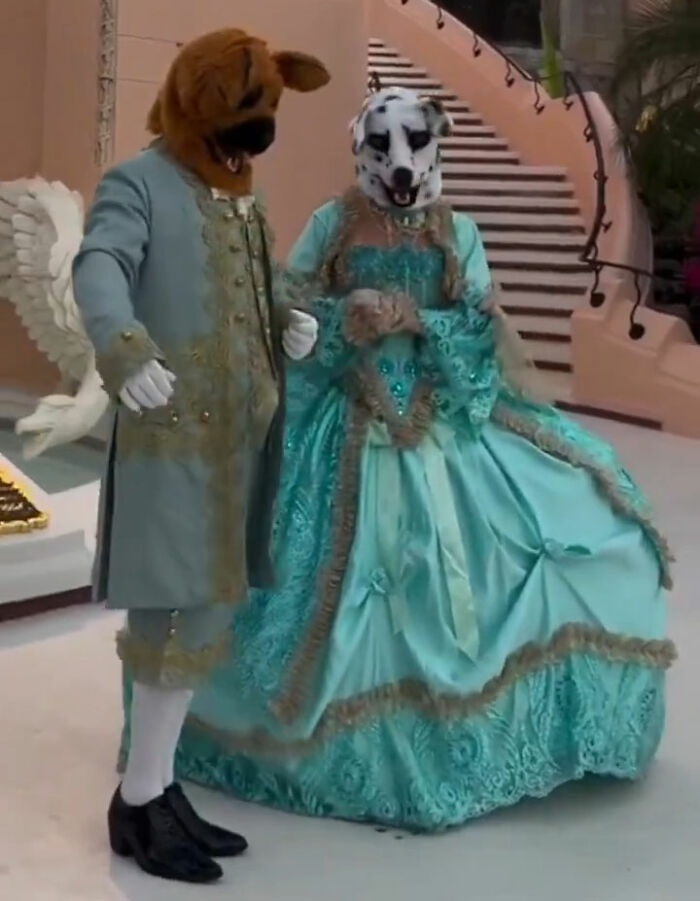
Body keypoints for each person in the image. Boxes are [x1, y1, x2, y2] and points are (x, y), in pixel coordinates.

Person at [141, 87, 675, 832]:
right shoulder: (332, 225)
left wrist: (415, 317)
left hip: (444, 422)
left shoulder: (458, 232)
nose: (400, 164)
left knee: (570, 534)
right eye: (383, 147)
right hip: (342, 425)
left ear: (436, 144)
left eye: (416, 144)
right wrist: (340, 320)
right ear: (359, 148)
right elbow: (285, 314)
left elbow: (481, 328)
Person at [72, 29, 329, 882]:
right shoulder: (138, 183)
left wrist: (285, 313)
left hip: (235, 453)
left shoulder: (238, 197)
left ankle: (156, 787)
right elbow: (100, 261)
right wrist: (124, 344)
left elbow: (260, 278)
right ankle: (141, 800)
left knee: (203, 619)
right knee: (169, 622)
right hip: (172, 446)